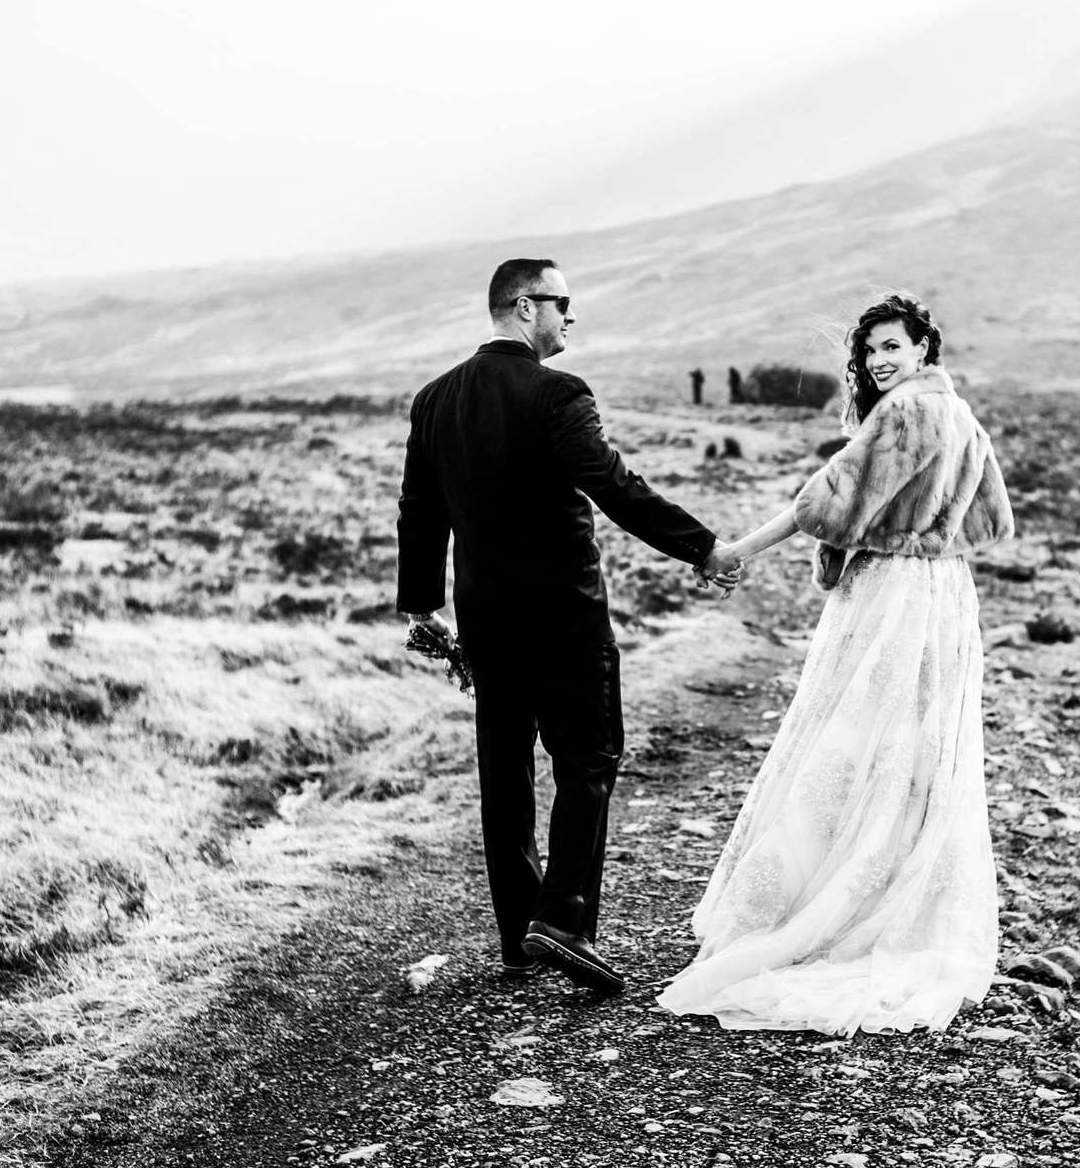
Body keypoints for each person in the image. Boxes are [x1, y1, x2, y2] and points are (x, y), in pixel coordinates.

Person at [658, 292, 1014, 1034]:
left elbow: (821, 504)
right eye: (871, 350)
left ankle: (831, 903)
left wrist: (732, 553)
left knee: (853, 750)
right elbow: (991, 518)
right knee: (912, 758)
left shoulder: (908, 413)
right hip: (945, 593)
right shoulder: (961, 415)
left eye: (894, 346)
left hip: (891, 594)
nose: (880, 361)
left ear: (923, 350)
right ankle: (898, 903)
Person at [397, 258, 745, 996]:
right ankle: (564, 917)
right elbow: (612, 483)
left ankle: (520, 937)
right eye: (562, 304)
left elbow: (420, 513)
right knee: (589, 758)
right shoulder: (558, 391)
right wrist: (701, 546)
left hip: (485, 617)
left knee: (506, 769)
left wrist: (421, 605)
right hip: (564, 615)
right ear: (525, 307)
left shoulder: (434, 401)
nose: (570, 318)